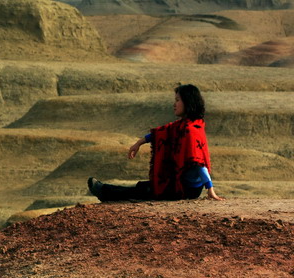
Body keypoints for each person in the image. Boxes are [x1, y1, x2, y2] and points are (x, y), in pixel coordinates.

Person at [87, 84, 224, 202]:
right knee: (145, 187)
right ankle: (104, 190)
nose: (174, 104)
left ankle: (103, 190)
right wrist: (139, 142)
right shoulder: (186, 125)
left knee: (144, 190)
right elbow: (164, 132)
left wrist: (210, 189)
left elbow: (199, 163)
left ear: (188, 102)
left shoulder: (190, 130)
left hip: (185, 189)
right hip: (181, 184)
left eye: (177, 100)